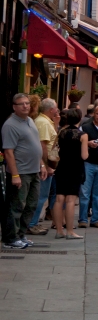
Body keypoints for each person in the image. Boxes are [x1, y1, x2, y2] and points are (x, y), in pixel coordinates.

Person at [2, 94, 47, 248]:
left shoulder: (29, 121)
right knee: (16, 205)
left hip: (34, 170)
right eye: (21, 104)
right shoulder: (10, 125)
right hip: (20, 171)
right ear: (14, 106)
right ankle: (10, 238)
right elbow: (8, 152)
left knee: (31, 204)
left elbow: (35, 146)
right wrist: (15, 175)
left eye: (27, 103)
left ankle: (21, 235)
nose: (25, 106)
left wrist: (41, 165)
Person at [52, 109, 85, 239]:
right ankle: (70, 231)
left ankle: (59, 230)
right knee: (71, 200)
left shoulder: (61, 133)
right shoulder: (82, 135)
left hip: (62, 168)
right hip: (75, 169)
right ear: (79, 119)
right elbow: (84, 155)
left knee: (59, 199)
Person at [28, 98, 59, 235]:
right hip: (44, 166)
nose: (57, 111)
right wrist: (46, 165)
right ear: (51, 109)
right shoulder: (44, 123)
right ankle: (32, 223)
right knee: (41, 195)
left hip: (43, 164)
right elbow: (43, 146)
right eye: (56, 108)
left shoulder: (43, 121)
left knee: (44, 194)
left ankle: (33, 222)